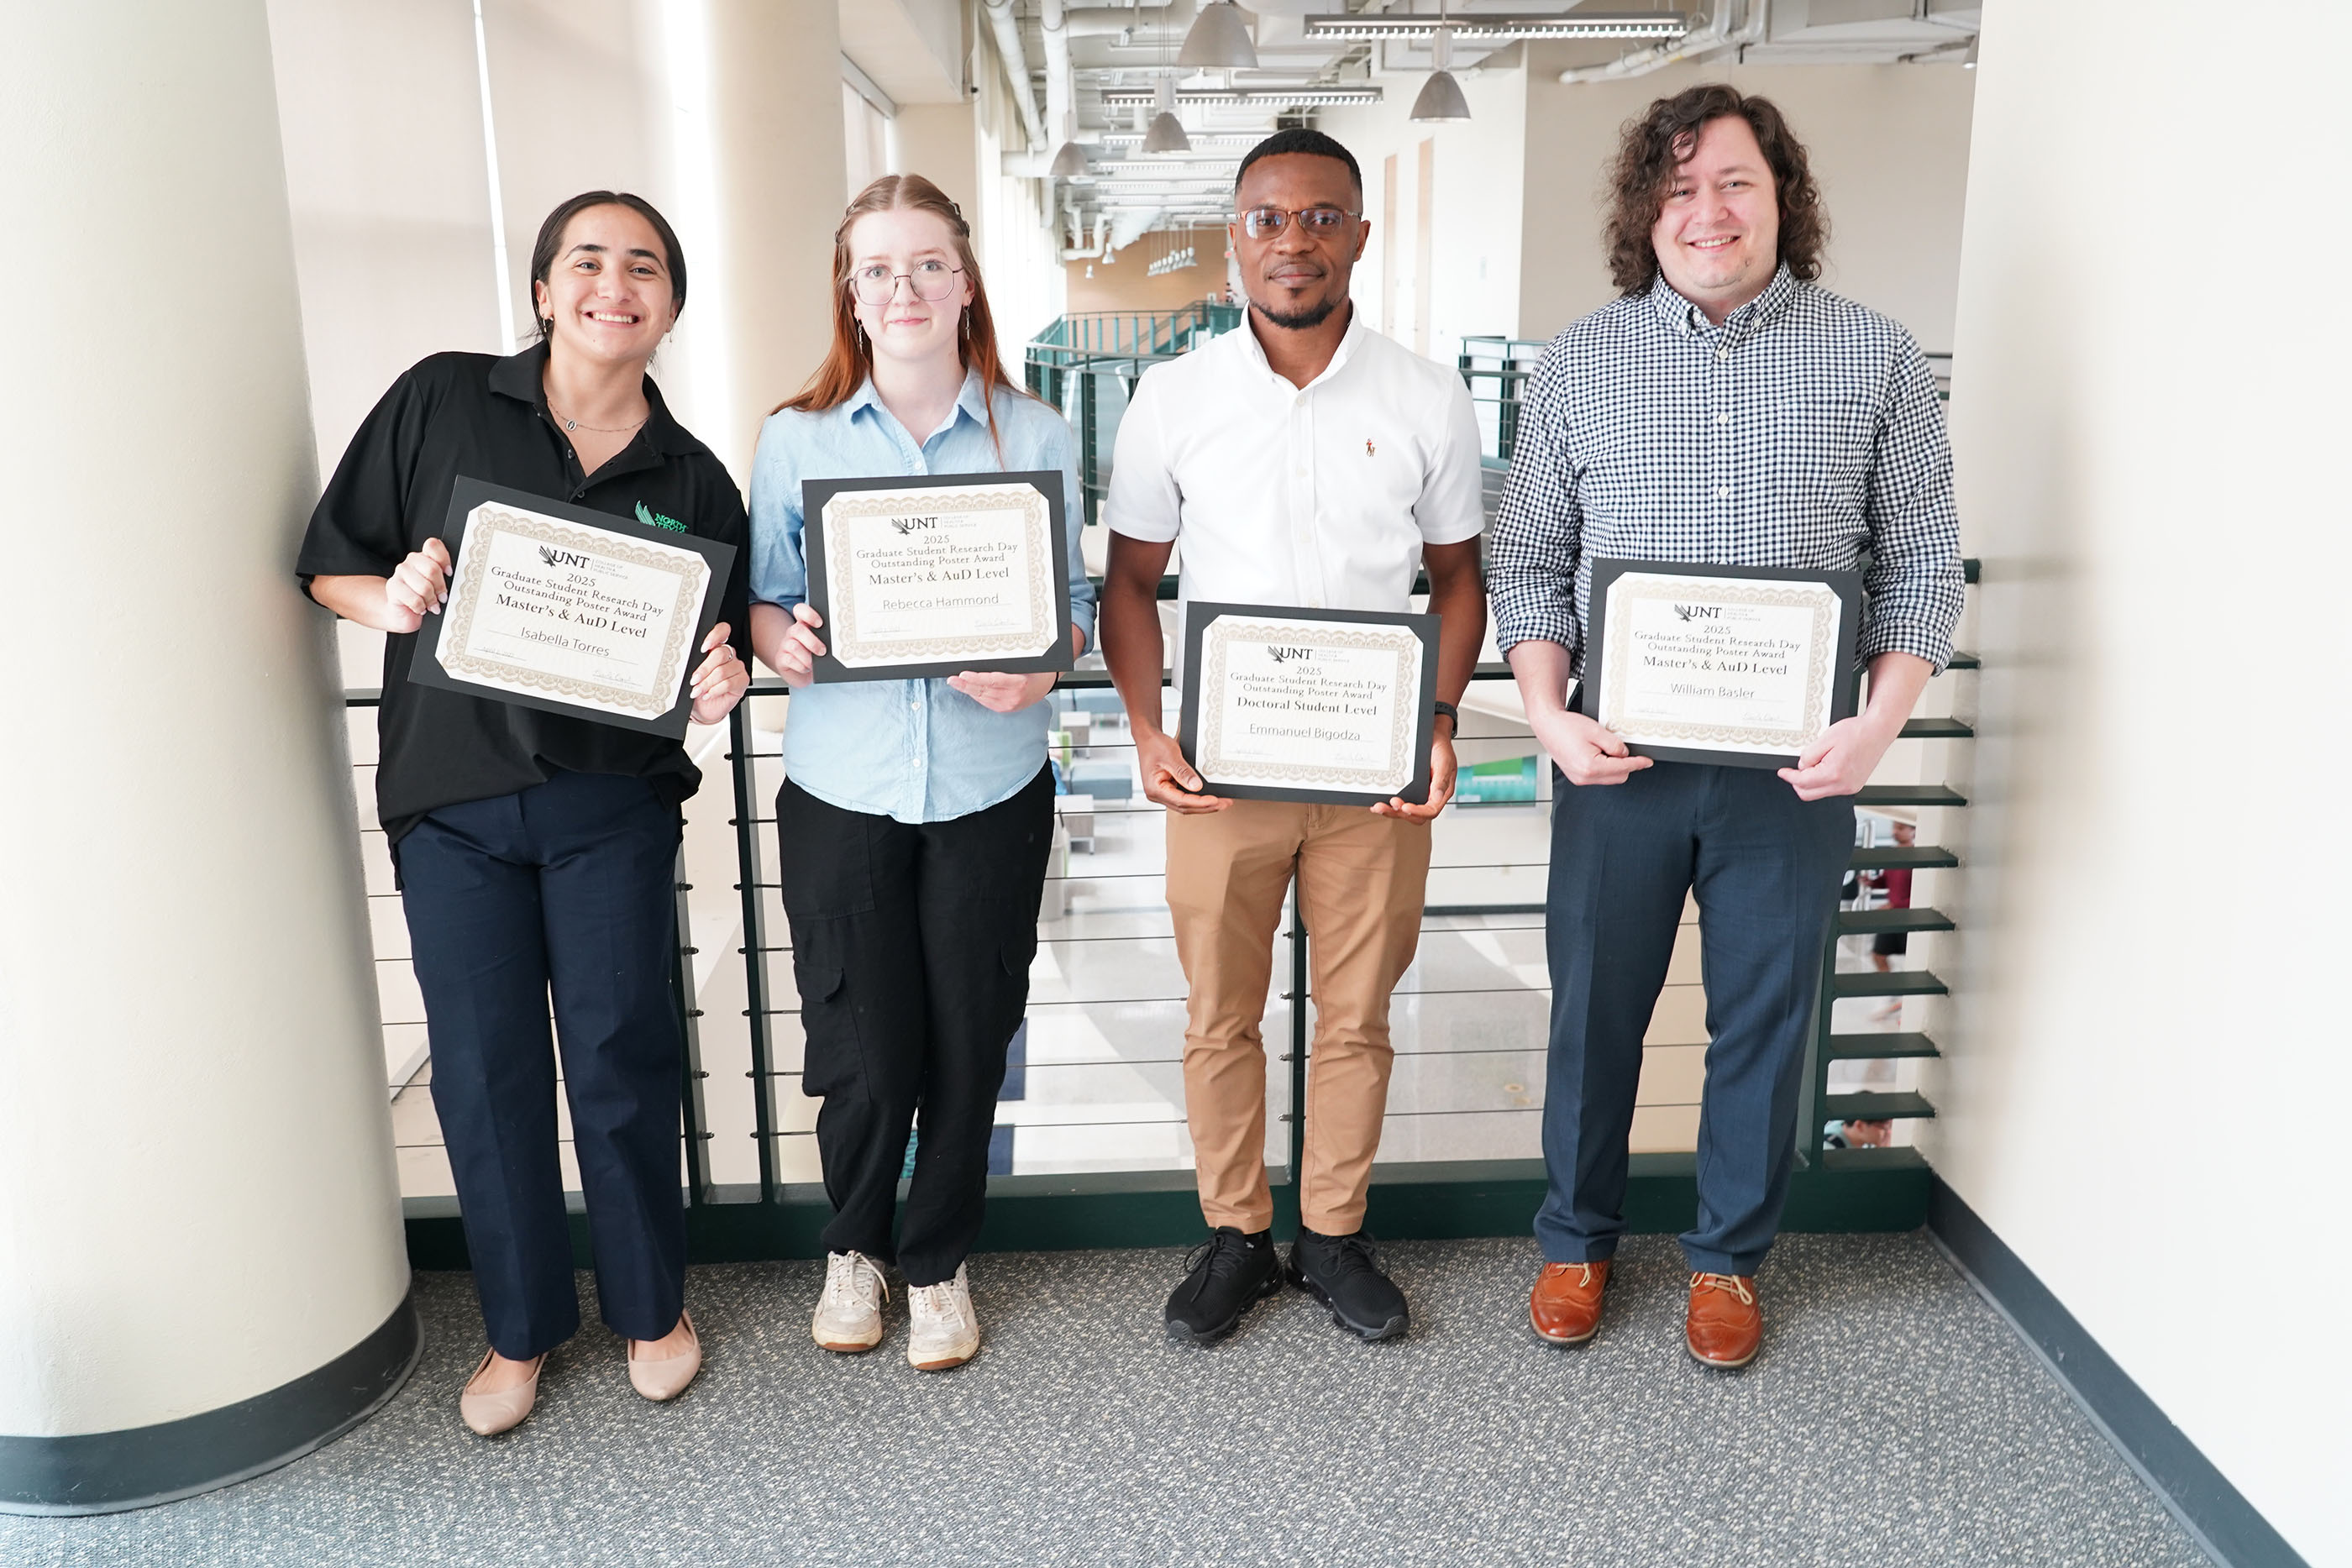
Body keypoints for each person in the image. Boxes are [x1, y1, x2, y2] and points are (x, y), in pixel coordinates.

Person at [1489, 85, 1963, 1369]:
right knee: (1595, 1013)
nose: (1708, 210)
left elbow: (1923, 558)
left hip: (1795, 777)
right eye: (1681, 184)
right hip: (1616, 766)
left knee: (1763, 1017)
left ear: (1782, 199)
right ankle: (1576, 1240)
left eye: (1735, 182)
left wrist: (1878, 730)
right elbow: (1529, 561)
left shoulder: (1875, 356)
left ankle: (1728, 1263)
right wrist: (1543, 714)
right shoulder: (1583, 361)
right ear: (1648, 209)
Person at [297, 191, 752, 1434]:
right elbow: (328, 560)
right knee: (486, 1073)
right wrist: (389, 600)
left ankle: (652, 1307)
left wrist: (726, 680)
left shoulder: (695, 477)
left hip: (610, 808)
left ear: (670, 306)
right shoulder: (442, 400)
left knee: (621, 1057)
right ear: (546, 288)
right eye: (588, 261)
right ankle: (517, 1334)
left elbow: (718, 650)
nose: (616, 283)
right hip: (454, 808)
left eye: (645, 266)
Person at [1098, 128, 1487, 1345]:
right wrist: (1147, 728)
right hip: (1223, 773)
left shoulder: (1425, 395)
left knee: (1359, 1015)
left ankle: (1330, 1233)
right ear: (1234, 243)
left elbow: (1460, 580)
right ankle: (1237, 1234)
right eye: (1268, 219)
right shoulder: (1175, 397)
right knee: (1221, 1014)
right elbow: (1127, 583)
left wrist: (1437, 721)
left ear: (1361, 236)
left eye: (1322, 217)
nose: (1294, 240)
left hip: (1375, 775)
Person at [748, 174, 1094, 1372]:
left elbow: (1076, 612)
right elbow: (766, 595)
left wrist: (1044, 669)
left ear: (965, 282)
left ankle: (939, 1262)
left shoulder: (1033, 431)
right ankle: (857, 1247)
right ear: (851, 292)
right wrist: (770, 635)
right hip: (843, 788)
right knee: (864, 1040)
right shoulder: (794, 437)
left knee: (969, 1029)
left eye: (927, 264)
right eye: (879, 268)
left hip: (991, 788)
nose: (904, 287)